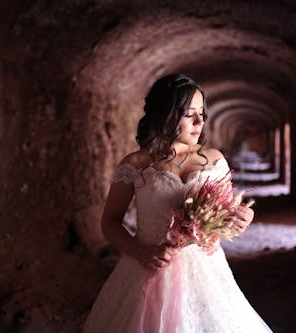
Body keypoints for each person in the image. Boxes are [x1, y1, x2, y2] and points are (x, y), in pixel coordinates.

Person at [82, 74, 273, 332]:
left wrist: (241, 219)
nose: (200, 121)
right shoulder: (136, 164)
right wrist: (141, 252)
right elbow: (110, 222)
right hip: (148, 269)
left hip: (206, 274)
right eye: (189, 114)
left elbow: (223, 218)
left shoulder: (215, 160)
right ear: (167, 115)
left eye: (201, 113)